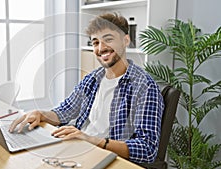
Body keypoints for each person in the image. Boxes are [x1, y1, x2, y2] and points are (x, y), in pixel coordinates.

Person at [9, 13, 164, 164]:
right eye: (95, 42)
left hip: (107, 157)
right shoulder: (93, 78)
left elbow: (147, 149)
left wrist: (92, 140)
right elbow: (65, 111)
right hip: (77, 147)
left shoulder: (144, 87)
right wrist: (40, 113)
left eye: (108, 39)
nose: (101, 48)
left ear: (125, 40)